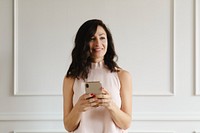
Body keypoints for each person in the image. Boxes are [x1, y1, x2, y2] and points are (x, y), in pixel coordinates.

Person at [63, 19, 132, 133]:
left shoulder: (123, 76)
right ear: (83, 43)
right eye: (92, 38)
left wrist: (110, 105)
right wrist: (79, 108)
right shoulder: (71, 79)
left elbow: (126, 124)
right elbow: (68, 126)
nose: (98, 44)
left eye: (102, 37)